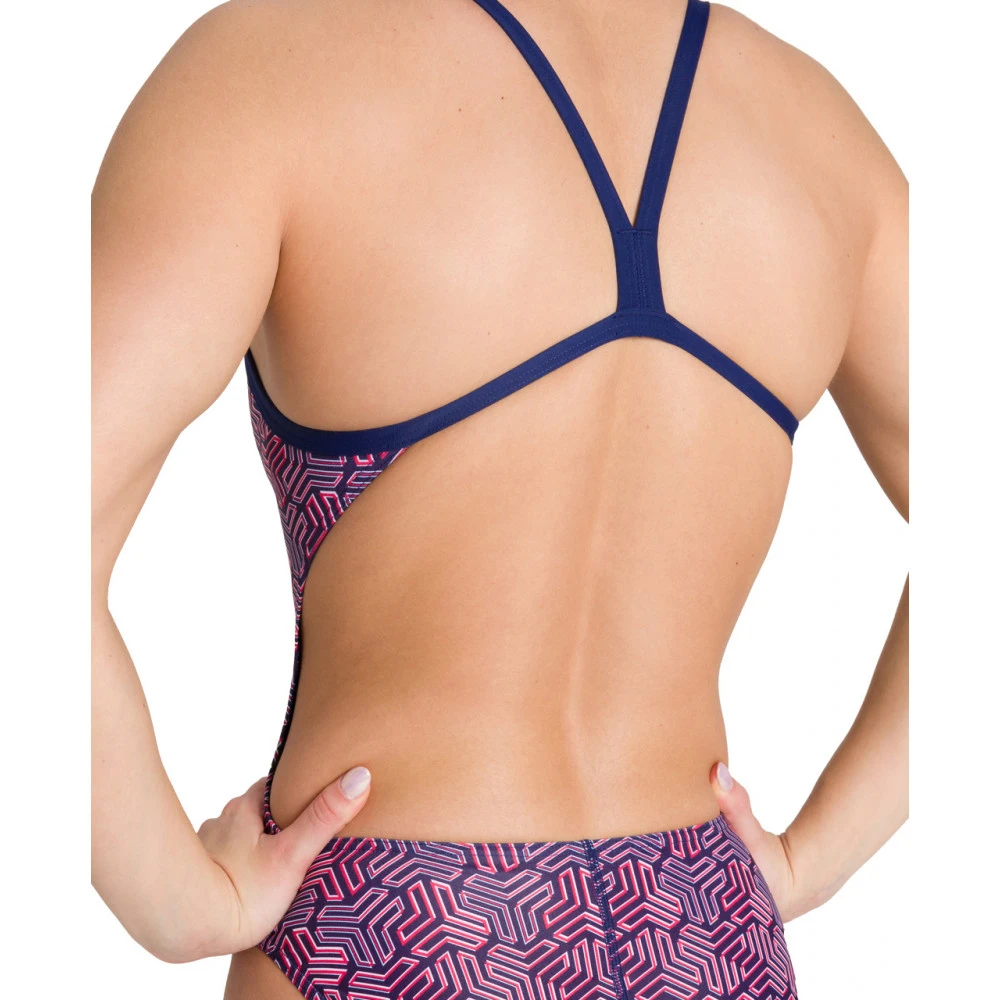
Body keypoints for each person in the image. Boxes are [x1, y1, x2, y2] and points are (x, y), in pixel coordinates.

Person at [91, 0, 908, 997]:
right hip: (706, 927)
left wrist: (176, 899)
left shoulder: (272, 68)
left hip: (397, 917)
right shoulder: (820, 135)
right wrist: (811, 859)